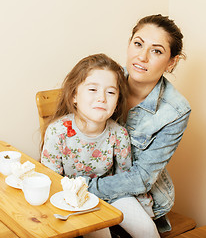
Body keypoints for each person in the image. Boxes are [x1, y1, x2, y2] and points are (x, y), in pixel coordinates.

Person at [85, 14, 191, 237]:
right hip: (88, 185)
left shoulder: (175, 111)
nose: (141, 57)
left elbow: (142, 177)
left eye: (156, 51)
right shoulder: (102, 80)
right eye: (138, 44)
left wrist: (86, 187)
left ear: (172, 62)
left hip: (137, 197)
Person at [40, 53, 159, 237]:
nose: (102, 98)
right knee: (99, 230)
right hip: (73, 199)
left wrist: (145, 213)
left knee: (147, 230)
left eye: (110, 92)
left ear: (117, 101)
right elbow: (52, 182)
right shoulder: (58, 132)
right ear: (74, 96)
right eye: (93, 90)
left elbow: (125, 179)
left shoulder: (119, 134)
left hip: (113, 194)